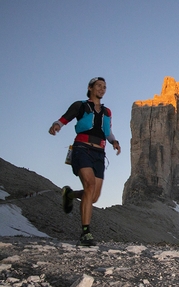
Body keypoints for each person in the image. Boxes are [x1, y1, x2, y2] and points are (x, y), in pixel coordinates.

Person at [49, 77, 121, 246]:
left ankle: (70, 194)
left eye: (104, 87)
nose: (102, 89)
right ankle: (86, 233)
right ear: (90, 88)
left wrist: (114, 142)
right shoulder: (80, 105)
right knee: (89, 186)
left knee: (94, 196)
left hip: (99, 153)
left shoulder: (107, 112)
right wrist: (56, 125)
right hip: (82, 149)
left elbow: (108, 131)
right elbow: (64, 119)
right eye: (99, 86)